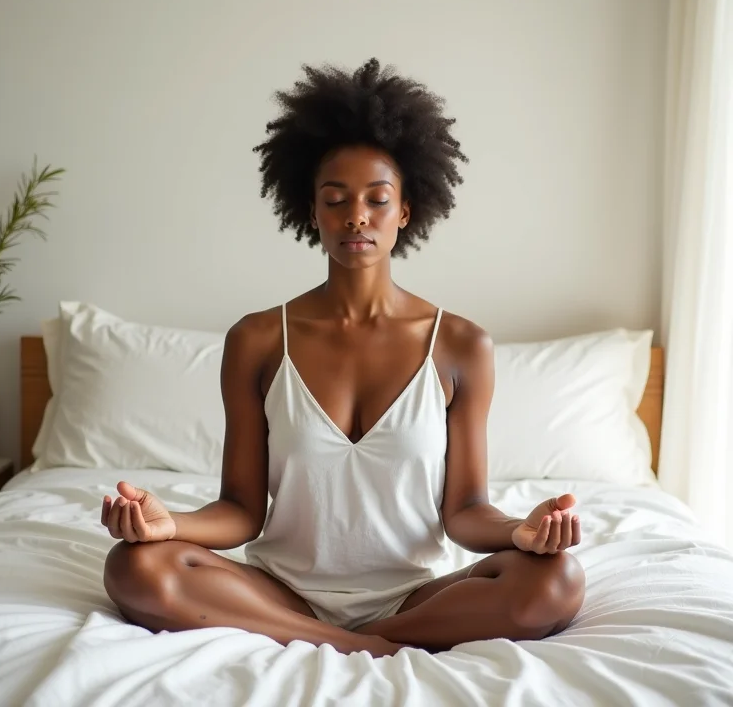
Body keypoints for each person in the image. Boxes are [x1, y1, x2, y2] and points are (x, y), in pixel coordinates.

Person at [102, 58, 585, 658]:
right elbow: (240, 511)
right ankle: (354, 643)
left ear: (405, 211)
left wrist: (521, 531)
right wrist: (168, 524)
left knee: (557, 579)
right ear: (312, 212)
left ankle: (356, 638)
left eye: (377, 199)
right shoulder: (256, 340)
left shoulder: (461, 344)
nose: (356, 215)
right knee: (134, 566)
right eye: (336, 200)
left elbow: (463, 512)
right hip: (281, 591)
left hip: (417, 594)